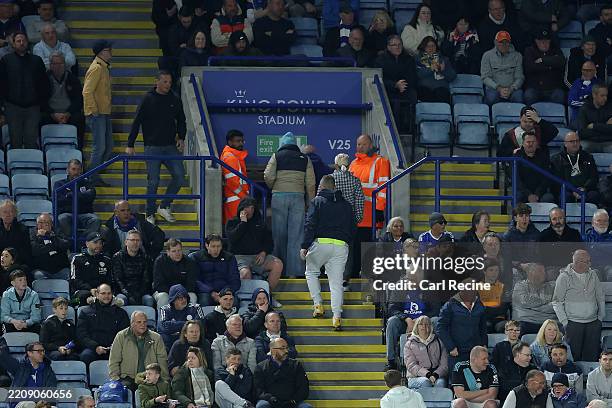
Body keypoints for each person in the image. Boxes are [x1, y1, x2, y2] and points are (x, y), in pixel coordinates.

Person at [127, 70, 186, 225]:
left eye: (169, 82)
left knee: (180, 176)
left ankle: (164, 205)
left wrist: (181, 136)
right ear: (157, 82)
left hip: (170, 146)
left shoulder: (174, 98)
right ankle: (150, 213)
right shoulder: (148, 99)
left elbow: (181, 119)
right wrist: (130, 144)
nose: (168, 85)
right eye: (165, 81)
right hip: (152, 147)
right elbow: (137, 121)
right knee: (153, 181)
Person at [301, 174, 354, 330]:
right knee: (336, 284)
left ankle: (318, 305)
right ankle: (336, 317)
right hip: (340, 246)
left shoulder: (316, 202)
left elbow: (310, 224)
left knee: (311, 272)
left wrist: (305, 245)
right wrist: (346, 242)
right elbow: (353, 226)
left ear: (322, 187)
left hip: (320, 243)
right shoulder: (346, 205)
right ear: (334, 187)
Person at [264, 132, 315, 278]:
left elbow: (268, 176)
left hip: (278, 197)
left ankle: (277, 269)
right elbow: (311, 184)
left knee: (278, 234)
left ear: (282, 144)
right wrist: (309, 203)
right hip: (298, 198)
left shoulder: (276, 156)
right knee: (296, 235)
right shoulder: (305, 159)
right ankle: (295, 272)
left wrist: (274, 187)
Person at [226, 197, 283, 303]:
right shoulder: (232, 222)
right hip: (240, 257)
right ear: (242, 209)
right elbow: (232, 239)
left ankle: (267, 296)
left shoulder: (260, 223)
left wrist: (264, 252)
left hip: (258, 256)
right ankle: (247, 301)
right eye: (247, 208)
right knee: (245, 273)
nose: (250, 211)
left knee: (278, 264)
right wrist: (243, 223)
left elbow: (269, 242)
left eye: (252, 208)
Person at [552, 249, 604, 362]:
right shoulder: (564, 277)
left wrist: (600, 317)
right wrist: (565, 322)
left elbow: (600, 297)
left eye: (589, 261)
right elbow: (556, 302)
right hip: (573, 323)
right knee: (573, 356)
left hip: (593, 323)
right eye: (586, 262)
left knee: (592, 356)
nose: (589, 264)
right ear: (577, 262)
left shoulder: (593, 274)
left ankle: (590, 378)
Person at [349, 134, 391, 272]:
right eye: (358, 144)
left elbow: (383, 187)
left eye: (364, 144)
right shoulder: (353, 163)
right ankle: (354, 276)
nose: (360, 147)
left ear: (371, 145)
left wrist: (379, 209)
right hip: (355, 216)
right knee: (354, 251)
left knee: (369, 252)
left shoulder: (380, 162)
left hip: (370, 216)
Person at [0, 31, 48, 149]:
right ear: (13, 44)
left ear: (27, 43)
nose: (21, 43)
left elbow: (44, 84)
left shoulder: (37, 61)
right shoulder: (6, 60)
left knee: (31, 141)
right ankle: (16, 167)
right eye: (18, 41)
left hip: (33, 107)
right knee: (15, 141)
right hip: (12, 107)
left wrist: (41, 104)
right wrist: (3, 104)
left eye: (24, 41)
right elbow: (2, 84)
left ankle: (31, 167)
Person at [109, 311, 169, 390]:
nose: (142, 325)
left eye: (144, 322)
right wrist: (116, 379)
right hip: (127, 378)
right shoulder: (121, 336)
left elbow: (162, 361)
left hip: (149, 378)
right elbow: (114, 360)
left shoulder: (156, 338)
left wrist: (164, 380)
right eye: (139, 322)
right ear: (132, 323)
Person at [331, 153, 364, 288]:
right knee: (347, 250)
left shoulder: (330, 179)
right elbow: (360, 201)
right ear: (349, 165)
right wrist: (357, 218)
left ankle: (333, 277)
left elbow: (320, 197)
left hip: (332, 221)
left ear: (335, 165)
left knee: (333, 249)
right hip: (349, 221)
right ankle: (345, 278)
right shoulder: (355, 180)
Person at [83, 40, 113, 187]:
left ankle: (93, 173)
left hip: (104, 112)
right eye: (108, 50)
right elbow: (87, 91)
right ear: (101, 52)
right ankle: (90, 177)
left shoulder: (104, 67)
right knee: (99, 147)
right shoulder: (97, 68)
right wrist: (94, 110)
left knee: (108, 146)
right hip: (97, 113)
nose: (111, 52)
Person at [76, 283, 130, 365]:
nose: (106, 296)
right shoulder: (86, 312)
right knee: (85, 356)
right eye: (103, 293)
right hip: (93, 349)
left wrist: (115, 346)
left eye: (109, 293)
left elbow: (125, 333)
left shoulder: (121, 313)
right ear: (97, 294)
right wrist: (95, 347)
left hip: (115, 348)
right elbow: (81, 334)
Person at [436, 286, 487, 369]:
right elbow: (440, 328)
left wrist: (484, 344)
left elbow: (483, 327)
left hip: (475, 351)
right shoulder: (450, 305)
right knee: (457, 380)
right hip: (457, 351)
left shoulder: (479, 304)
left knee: (477, 380)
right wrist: (451, 347)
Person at [375, 35, 417, 131]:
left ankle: (409, 129)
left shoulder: (408, 59)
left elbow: (412, 77)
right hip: (388, 89)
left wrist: (402, 85)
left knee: (412, 94)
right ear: (388, 47)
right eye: (394, 45)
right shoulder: (380, 60)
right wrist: (395, 85)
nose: (397, 47)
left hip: (404, 88)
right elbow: (380, 79)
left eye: (399, 45)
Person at [42, 51, 85, 148]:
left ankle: (78, 149)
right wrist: (53, 114)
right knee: (40, 118)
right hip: (51, 113)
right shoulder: (44, 79)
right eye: (55, 63)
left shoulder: (73, 79)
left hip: (68, 113)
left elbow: (78, 100)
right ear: (50, 65)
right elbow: (41, 100)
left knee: (79, 118)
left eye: (60, 63)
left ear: (64, 64)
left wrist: (68, 113)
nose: (58, 66)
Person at [253, 337, 311, 408]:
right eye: (282, 348)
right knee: (262, 405)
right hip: (270, 401)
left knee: (306, 407)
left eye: (287, 348)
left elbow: (303, 388)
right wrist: (271, 399)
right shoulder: (260, 367)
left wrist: (293, 400)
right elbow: (259, 390)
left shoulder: (296, 365)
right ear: (273, 350)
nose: (286, 351)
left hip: (293, 401)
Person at [101, 200, 166, 260]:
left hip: (141, 261)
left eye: (128, 210)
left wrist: (151, 255)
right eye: (122, 210)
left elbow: (159, 234)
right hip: (120, 262)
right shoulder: (109, 227)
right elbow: (106, 249)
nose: (126, 213)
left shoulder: (140, 223)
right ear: (116, 212)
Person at [54, 159, 100, 239]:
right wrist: (81, 196)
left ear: (81, 171)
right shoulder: (59, 184)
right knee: (62, 218)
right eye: (73, 169)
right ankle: (69, 243)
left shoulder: (87, 183)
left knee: (95, 219)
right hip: (68, 214)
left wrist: (71, 195)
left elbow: (91, 196)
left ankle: (86, 242)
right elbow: (58, 201)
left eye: (78, 169)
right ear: (68, 170)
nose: (76, 172)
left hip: (84, 214)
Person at [190, 234, 239, 307]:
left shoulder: (229, 258)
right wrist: (211, 292)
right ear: (207, 245)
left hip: (225, 291)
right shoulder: (196, 257)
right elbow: (195, 280)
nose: (216, 249)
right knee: (204, 301)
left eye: (218, 246)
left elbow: (235, 279)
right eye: (213, 246)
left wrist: (224, 292)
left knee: (234, 302)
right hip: (206, 292)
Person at [550, 132, 600, 204]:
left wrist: (584, 188)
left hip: (585, 189)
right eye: (572, 141)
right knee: (565, 196)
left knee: (594, 195)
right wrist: (572, 190)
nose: (575, 143)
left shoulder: (588, 157)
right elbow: (558, 180)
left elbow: (594, 176)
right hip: (567, 190)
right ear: (565, 144)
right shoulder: (556, 159)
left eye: (577, 141)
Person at [112, 229, 155, 307]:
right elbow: (118, 280)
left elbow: (146, 280)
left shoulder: (146, 258)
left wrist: (139, 294)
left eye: (137, 240)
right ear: (126, 242)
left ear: (140, 242)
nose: (135, 243)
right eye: (132, 240)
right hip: (123, 292)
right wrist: (128, 294)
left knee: (149, 300)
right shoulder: (117, 257)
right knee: (120, 300)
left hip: (141, 292)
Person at [523, 29, 566, 105]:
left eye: (546, 40)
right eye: (540, 41)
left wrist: (543, 60)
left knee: (559, 95)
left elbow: (561, 62)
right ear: (535, 41)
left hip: (553, 87)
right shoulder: (529, 51)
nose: (544, 43)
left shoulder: (555, 50)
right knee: (529, 95)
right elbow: (530, 67)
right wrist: (550, 66)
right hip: (535, 88)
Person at [481, 30, 524, 105]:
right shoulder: (487, 55)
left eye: (506, 42)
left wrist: (511, 89)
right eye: (501, 42)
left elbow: (519, 77)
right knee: (491, 97)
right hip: (494, 89)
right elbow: (485, 77)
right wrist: (499, 88)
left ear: (510, 43)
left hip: (512, 89)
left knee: (519, 97)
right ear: (495, 42)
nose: (504, 45)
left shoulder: (518, 56)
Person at [404, 315, 448, 388]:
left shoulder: (439, 342)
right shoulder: (409, 344)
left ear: (430, 326)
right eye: (421, 324)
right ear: (416, 327)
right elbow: (411, 365)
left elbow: (444, 364)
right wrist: (427, 374)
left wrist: (435, 375)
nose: (424, 326)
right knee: (425, 382)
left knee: (441, 383)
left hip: (436, 375)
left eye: (427, 324)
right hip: (415, 377)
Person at [70, 232, 113, 306]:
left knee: (117, 300)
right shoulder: (77, 258)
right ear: (87, 244)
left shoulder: (106, 260)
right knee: (80, 298)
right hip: (80, 293)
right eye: (95, 242)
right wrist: (90, 289)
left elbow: (109, 280)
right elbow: (74, 280)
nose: (99, 245)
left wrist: (101, 291)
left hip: (102, 292)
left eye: (100, 243)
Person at [153, 237, 198, 308]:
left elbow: (191, 284)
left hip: (184, 292)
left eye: (179, 250)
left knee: (192, 296)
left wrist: (180, 294)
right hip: (164, 292)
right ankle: (162, 318)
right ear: (168, 252)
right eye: (174, 251)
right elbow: (158, 284)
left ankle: (189, 318)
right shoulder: (160, 262)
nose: (177, 253)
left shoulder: (189, 262)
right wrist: (174, 294)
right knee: (163, 297)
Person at [158, 284, 206, 350]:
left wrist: (175, 326)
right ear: (173, 300)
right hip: (171, 343)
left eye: (185, 297)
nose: (184, 300)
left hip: (192, 341)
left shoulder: (196, 308)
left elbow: (201, 324)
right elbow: (163, 327)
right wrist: (188, 325)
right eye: (180, 298)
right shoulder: (165, 309)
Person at [513, 265, 557, 335]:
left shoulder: (553, 286)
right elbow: (525, 301)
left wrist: (533, 307)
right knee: (517, 329)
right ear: (529, 273)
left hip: (548, 322)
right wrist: (547, 301)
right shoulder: (520, 286)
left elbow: (557, 305)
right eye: (539, 271)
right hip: (526, 321)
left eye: (544, 271)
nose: (543, 274)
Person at [513, 132, 555, 204]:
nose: (531, 144)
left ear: (537, 144)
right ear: (523, 143)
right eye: (528, 142)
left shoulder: (543, 157)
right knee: (517, 197)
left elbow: (546, 179)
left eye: (533, 142)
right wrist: (529, 195)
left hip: (540, 193)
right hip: (523, 192)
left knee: (549, 198)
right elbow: (517, 180)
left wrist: (537, 194)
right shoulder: (516, 158)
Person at [220, 129, 249, 224]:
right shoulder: (231, 158)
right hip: (236, 201)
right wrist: (245, 197)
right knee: (237, 228)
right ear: (230, 142)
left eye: (242, 141)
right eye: (238, 141)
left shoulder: (231, 156)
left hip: (236, 200)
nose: (241, 143)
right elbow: (232, 183)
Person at [415, 35, 456, 103]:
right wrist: (430, 69)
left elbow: (452, 76)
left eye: (433, 46)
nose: (431, 48)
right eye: (428, 46)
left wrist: (443, 70)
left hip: (441, 88)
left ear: (436, 47)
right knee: (424, 92)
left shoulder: (444, 59)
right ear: (423, 47)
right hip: (424, 88)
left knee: (442, 94)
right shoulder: (417, 59)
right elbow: (417, 74)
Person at [30, 212, 70, 280]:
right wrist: (52, 247)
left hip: (60, 269)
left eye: (46, 222)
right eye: (40, 222)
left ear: (51, 224)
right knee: (38, 275)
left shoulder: (57, 232)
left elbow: (65, 245)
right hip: (41, 269)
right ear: (37, 224)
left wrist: (49, 235)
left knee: (69, 274)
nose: (43, 225)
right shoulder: (32, 233)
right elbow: (35, 250)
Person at [39, 297, 78, 361]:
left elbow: (75, 341)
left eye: (66, 309)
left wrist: (70, 349)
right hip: (53, 350)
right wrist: (58, 348)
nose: (64, 311)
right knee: (59, 356)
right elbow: (43, 343)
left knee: (75, 357)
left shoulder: (70, 324)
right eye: (61, 308)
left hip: (67, 350)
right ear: (54, 310)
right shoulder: (47, 323)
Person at [577, 83, 612, 153]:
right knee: (579, 150)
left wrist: (594, 126)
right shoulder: (584, 109)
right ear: (594, 95)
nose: (605, 98)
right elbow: (582, 132)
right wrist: (605, 127)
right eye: (602, 96)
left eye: (606, 95)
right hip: (589, 142)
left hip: (608, 142)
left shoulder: (610, 108)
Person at [568, 60, 600, 130]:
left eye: (589, 70)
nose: (586, 72)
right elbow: (571, 102)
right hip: (577, 118)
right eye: (584, 70)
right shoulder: (576, 83)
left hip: (593, 117)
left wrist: (583, 93)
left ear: (595, 71)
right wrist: (587, 102)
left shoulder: (599, 84)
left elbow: (598, 102)